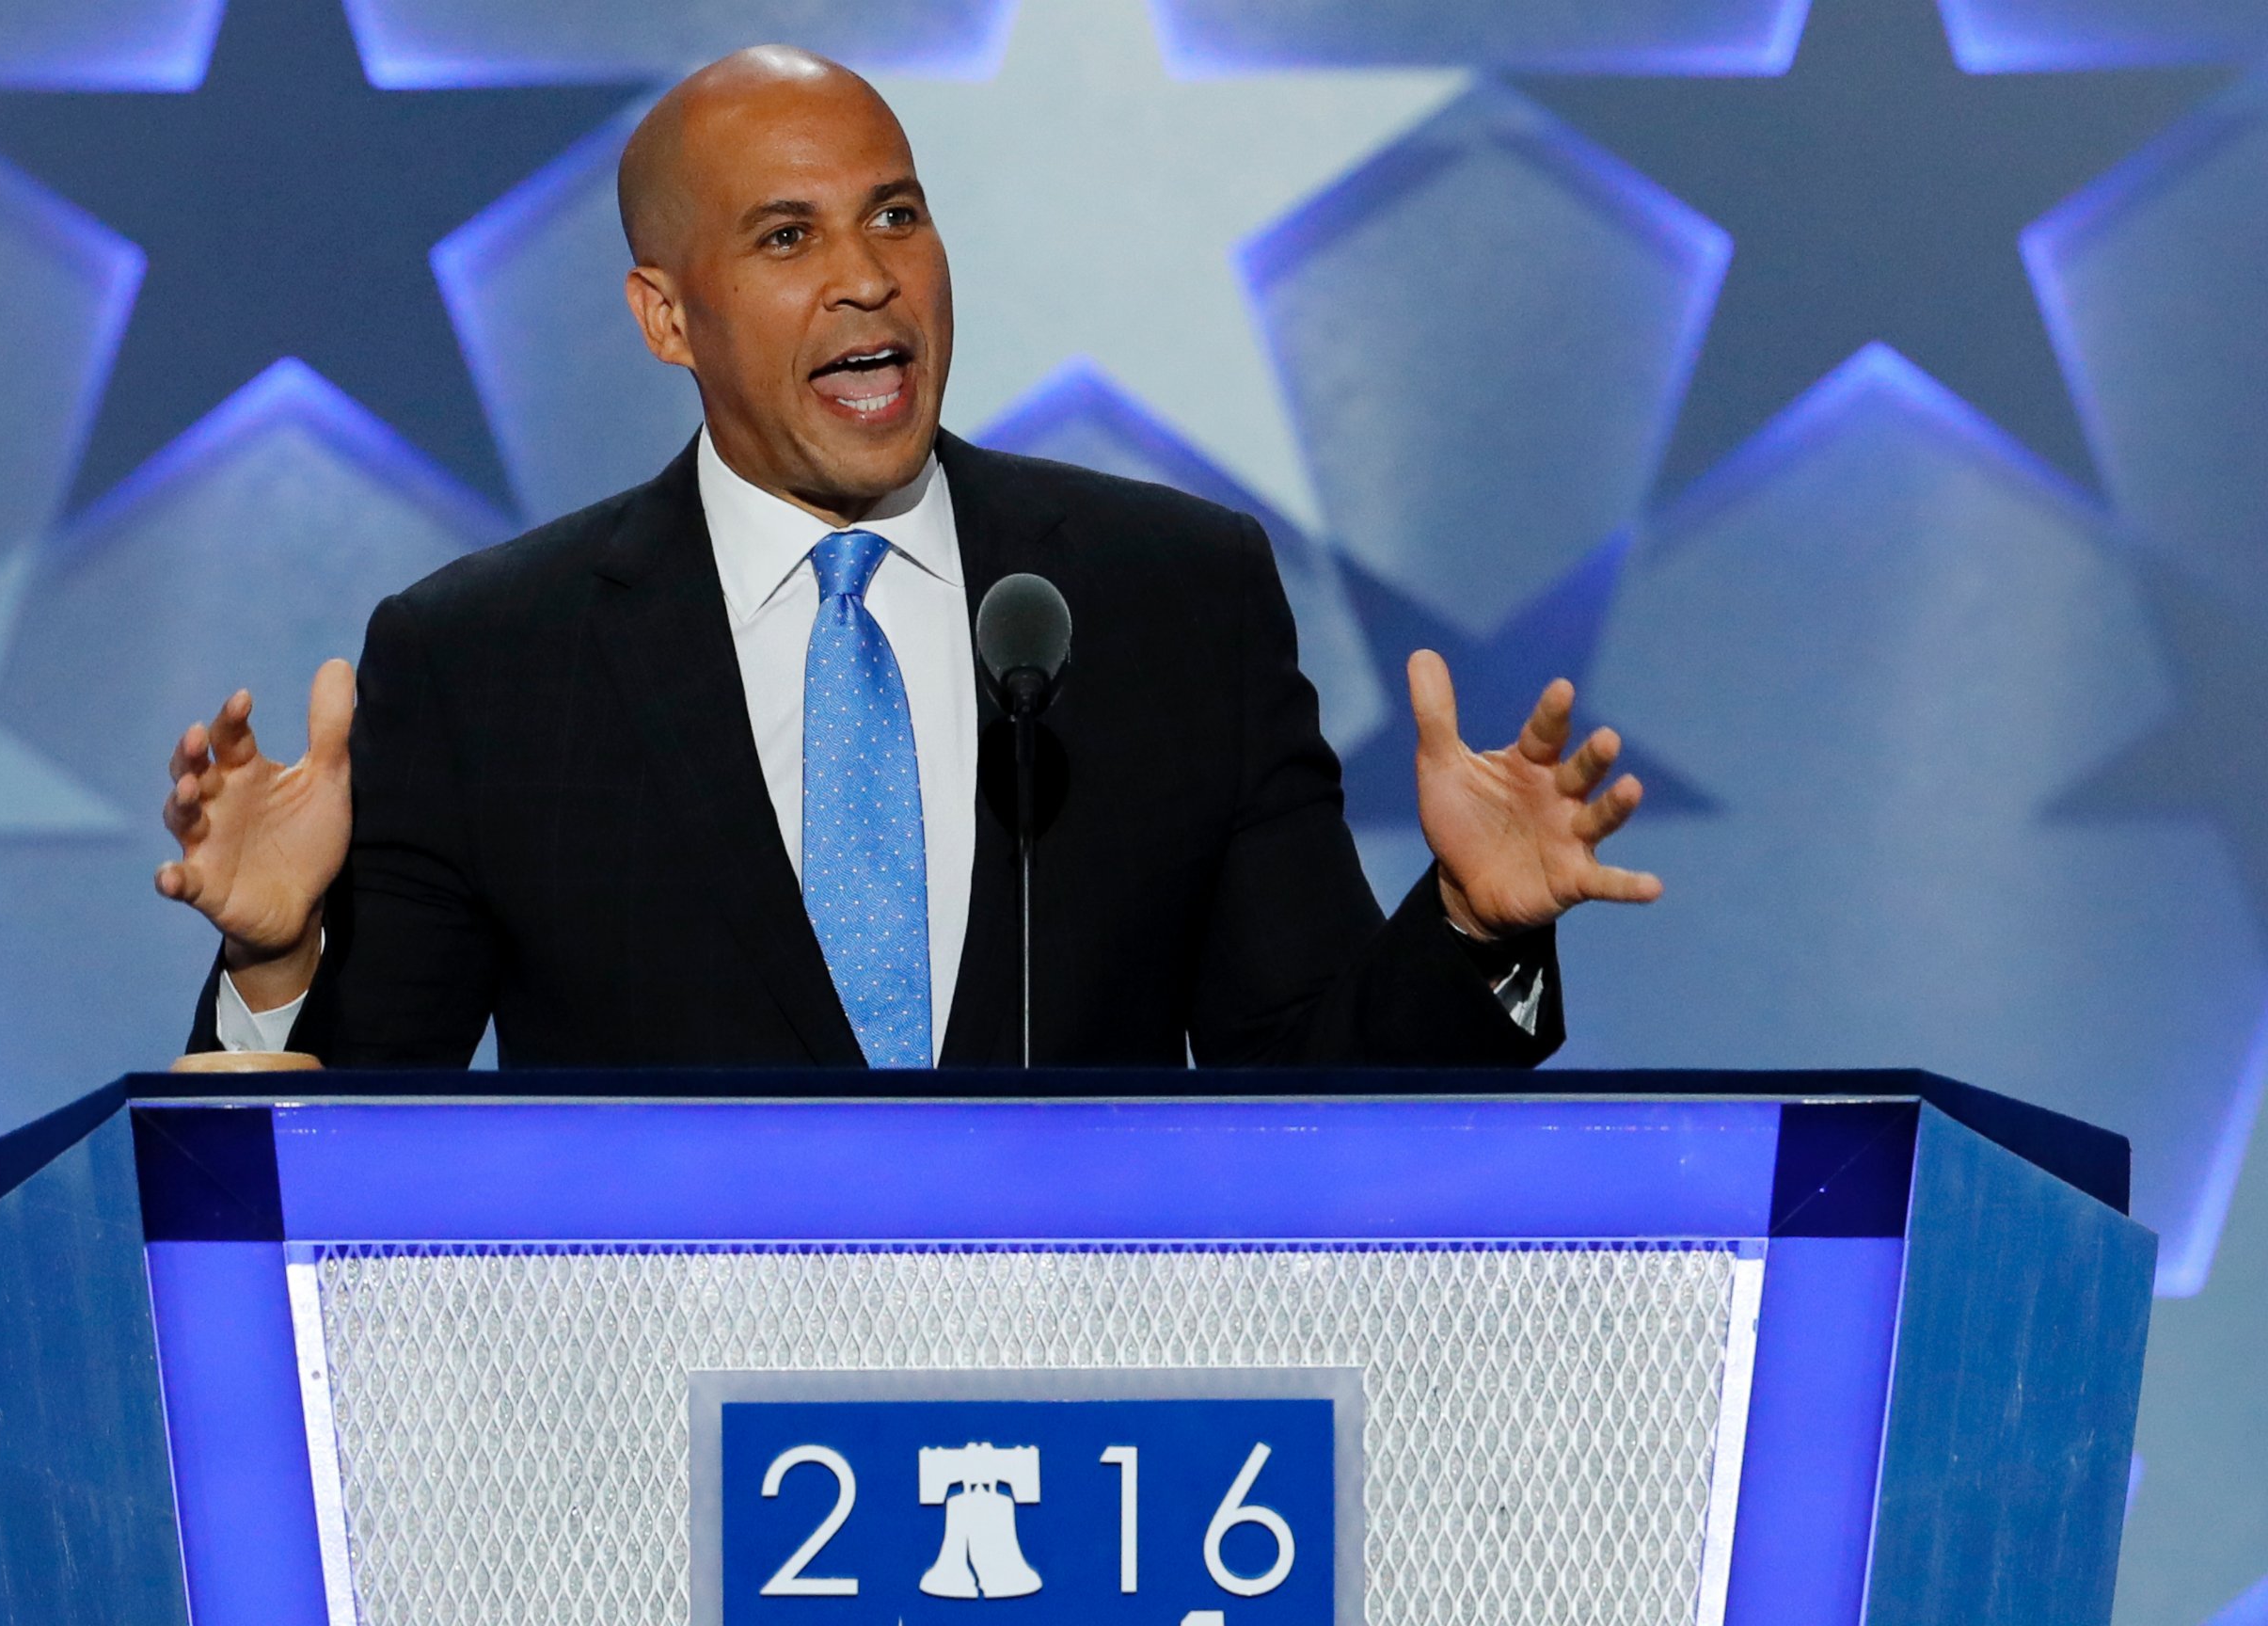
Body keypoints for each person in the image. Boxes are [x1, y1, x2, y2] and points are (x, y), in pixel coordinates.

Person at [155, 45, 1662, 1070]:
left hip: (1103, 1464)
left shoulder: (1172, 601)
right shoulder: (488, 664)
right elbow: (350, 1186)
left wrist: (1472, 930)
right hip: (662, 1483)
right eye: (787, 238)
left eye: (896, 217)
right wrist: (278, 970)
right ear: (666, 318)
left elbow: (1315, 1093)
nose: (869, 276)